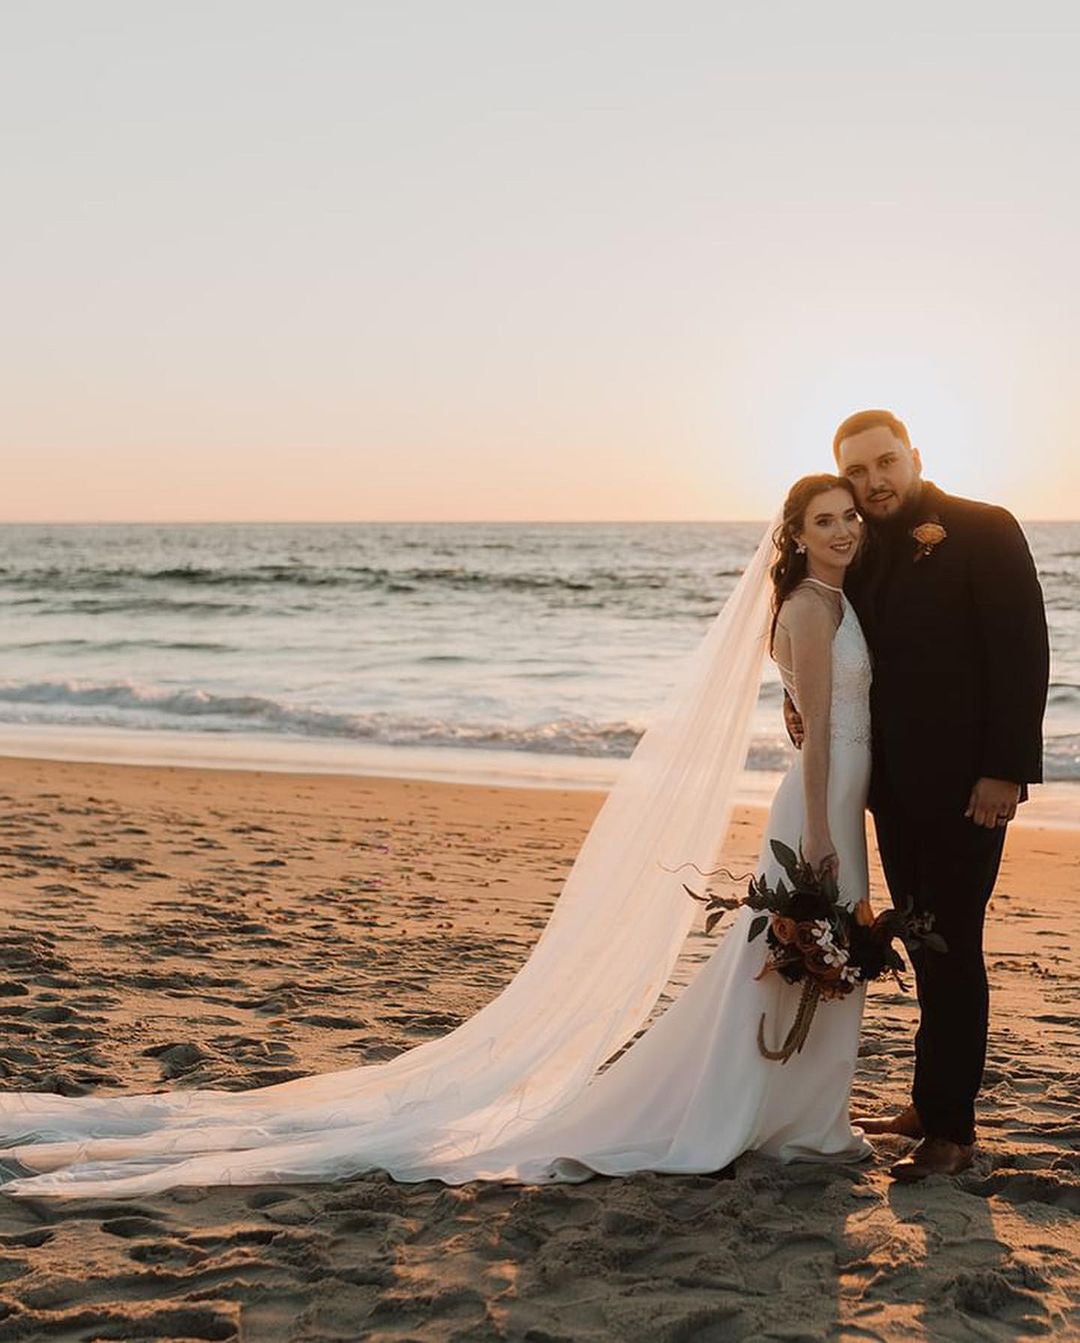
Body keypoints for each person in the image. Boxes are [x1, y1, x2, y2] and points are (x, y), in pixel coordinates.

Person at [0, 475, 875, 1198]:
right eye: (823, 520)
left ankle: (797, 1115)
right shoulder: (806, 607)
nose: (842, 530)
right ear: (794, 535)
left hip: (840, 803)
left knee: (798, 959)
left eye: (850, 517)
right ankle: (753, 1114)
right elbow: (815, 732)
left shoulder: (834, 598)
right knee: (778, 957)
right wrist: (825, 835)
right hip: (819, 810)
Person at [785, 410, 1050, 1182]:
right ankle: (929, 1105)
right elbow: (832, 645)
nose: (873, 482)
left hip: (972, 789)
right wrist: (800, 699)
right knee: (919, 942)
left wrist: (1006, 769)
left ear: (915, 457)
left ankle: (953, 1133)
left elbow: (1022, 651)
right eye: (858, 471)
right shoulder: (859, 551)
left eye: (885, 462)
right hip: (890, 791)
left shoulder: (983, 528)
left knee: (953, 946)